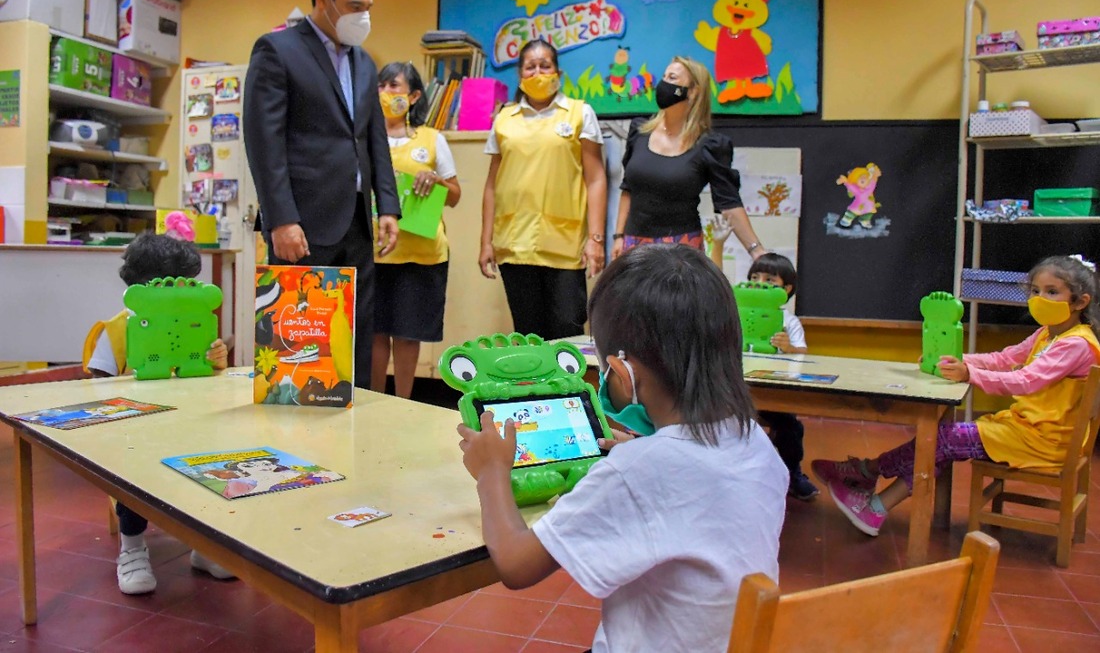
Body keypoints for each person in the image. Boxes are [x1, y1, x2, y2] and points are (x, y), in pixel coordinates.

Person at [457, 244, 787, 653]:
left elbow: (516, 563)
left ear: (623, 373)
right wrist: (647, 453)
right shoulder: (756, 442)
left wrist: (491, 471)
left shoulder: (640, 470)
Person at [813, 254, 1100, 537]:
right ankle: (873, 499)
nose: (1039, 299)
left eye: (1052, 292)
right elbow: (1003, 358)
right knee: (939, 443)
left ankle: (867, 473)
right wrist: (952, 360)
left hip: (1044, 440)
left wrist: (969, 374)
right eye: (1035, 291)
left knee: (942, 440)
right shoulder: (1048, 334)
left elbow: (1026, 381)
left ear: (1080, 302)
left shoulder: (1075, 344)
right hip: (1025, 428)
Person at [244, 0, 401, 389]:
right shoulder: (277, 50)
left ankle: (356, 410)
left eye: (368, 7)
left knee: (355, 332)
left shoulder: (365, 62)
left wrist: (388, 205)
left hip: (357, 219)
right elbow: (263, 141)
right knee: (301, 337)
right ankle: (295, 418)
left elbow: (373, 138)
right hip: (302, 223)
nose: (363, 17)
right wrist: (281, 218)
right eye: (354, 6)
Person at [81, 233, 234, 595]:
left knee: (210, 468)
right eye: (175, 284)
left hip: (190, 424)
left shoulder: (195, 321)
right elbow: (96, 383)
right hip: (137, 432)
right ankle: (132, 548)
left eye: (189, 284)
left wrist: (217, 361)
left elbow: (211, 376)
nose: (183, 291)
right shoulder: (118, 328)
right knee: (134, 474)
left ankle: (205, 545)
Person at [479, 39, 607, 340]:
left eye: (545, 65)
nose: (538, 73)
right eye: (530, 67)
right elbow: (492, 185)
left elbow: (596, 179)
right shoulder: (504, 119)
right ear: (520, 75)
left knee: (568, 335)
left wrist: (596, 239)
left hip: (565, 245)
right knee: (528, 336)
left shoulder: (579, 113)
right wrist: (486, 241)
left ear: (558, 73)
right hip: (514, 245)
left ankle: (569, 377)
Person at [610, 56, 766, 261]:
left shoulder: (709, 145)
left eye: (672, 78)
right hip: (635, 245)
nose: (664, 83)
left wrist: (756, 251)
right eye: (664, 76)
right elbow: (628, 187)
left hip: (681, 248)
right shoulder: (639, 131)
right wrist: (619, 236)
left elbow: (728, 203)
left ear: (693, 92)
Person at [370, 61, 461, 398]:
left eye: (394, 86)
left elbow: (455, 196)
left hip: (421, 253)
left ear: (414, 96)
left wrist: (436, 181)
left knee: (408, 335)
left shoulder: (432, 139)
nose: (385, 92)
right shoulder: (364, 137)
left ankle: (404, 403)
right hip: (374, 252)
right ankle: (375, 402)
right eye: (381, 86)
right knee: (374, 333)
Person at [744, 252, 819, 501]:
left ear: (786, 290)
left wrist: (789, 348)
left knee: (791, 428)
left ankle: (792, 473)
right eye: (755, 277)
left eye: (769, 280)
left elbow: (803, 353)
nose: (760, 284)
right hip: (740, 392)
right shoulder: (738, 314)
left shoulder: (789, 321)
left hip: (774, 393)